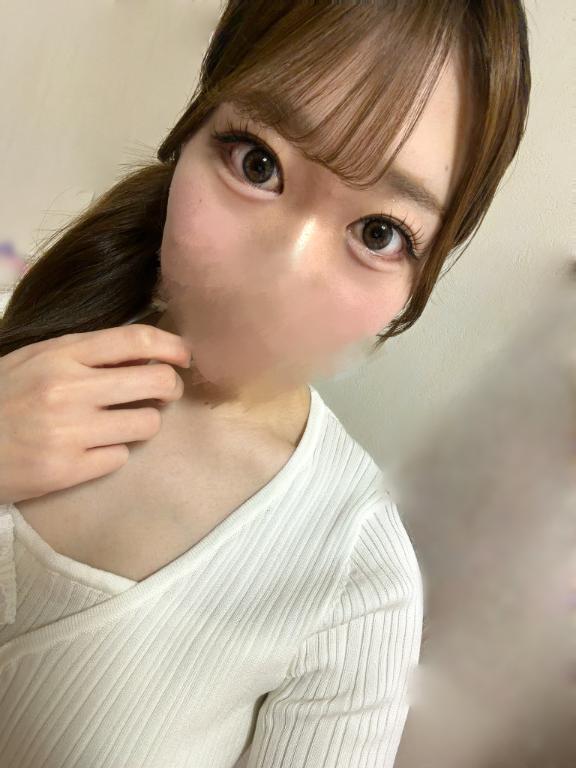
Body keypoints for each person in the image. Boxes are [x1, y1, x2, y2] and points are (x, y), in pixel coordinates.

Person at [0, 2, 531, 767]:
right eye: (258, 163)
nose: (279, 277)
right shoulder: (30, 329)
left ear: (418, 285)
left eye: (378, 232)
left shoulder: (357, 583)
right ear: (192, 132)